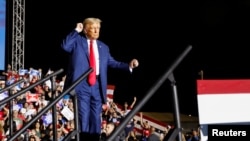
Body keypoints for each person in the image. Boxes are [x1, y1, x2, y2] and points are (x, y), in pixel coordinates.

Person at [61, 17, 139, 141]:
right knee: (84, 117)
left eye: (98, 28)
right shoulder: (77, 42)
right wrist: (76, 30)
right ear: (86, 30)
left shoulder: (104, 47)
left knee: (96, 118)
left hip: (97, 86)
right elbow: (65, 46)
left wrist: (128, 65)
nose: (97, 31)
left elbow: (113, 63)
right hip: (82, 85)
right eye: (93, 28)